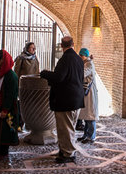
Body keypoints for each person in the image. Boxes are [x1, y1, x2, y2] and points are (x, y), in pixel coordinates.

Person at [40, 36, 84, 164]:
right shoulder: (78, 59)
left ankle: (68, 153)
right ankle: (65, 149)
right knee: (70, 127)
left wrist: (45, 74)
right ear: (73, 44)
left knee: (65, 128)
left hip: (66, 99)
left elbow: (59, 77)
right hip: (77, 98)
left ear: (61, 45)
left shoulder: (65, 59)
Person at [77, 48, 98, 144]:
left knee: (90, 116)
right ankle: (85, 135)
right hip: (85, 92)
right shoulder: (85, 63)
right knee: (86, 115)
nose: (80, 57)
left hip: (89, 92)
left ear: (85, 56)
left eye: (81, 56)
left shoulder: (89, 64)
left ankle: (91, 137)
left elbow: (82, 74)